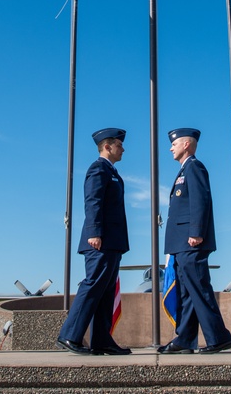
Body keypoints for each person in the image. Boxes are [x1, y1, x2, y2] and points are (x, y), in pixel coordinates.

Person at [158, 128, 231, 355]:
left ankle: (218, 338)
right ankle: (185, 339)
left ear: (186, 145)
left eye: (174, 144)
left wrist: (197, 232)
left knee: (199, 289)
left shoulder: (194, 167)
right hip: (181, 243)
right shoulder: (184, 170)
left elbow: (200, 201)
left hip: (191, 241)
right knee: (187, 293)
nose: (171, 148)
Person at [57, 128, 131, 356]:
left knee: (106, 291)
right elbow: (93, 202)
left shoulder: (113, 172)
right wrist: (94, 232)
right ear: (107, 147)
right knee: (93, 285)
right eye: (119, 145)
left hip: (113, 241)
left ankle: (101, 340)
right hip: (100, 240)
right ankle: (69, 335)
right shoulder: (98, 169)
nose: (123, 148)